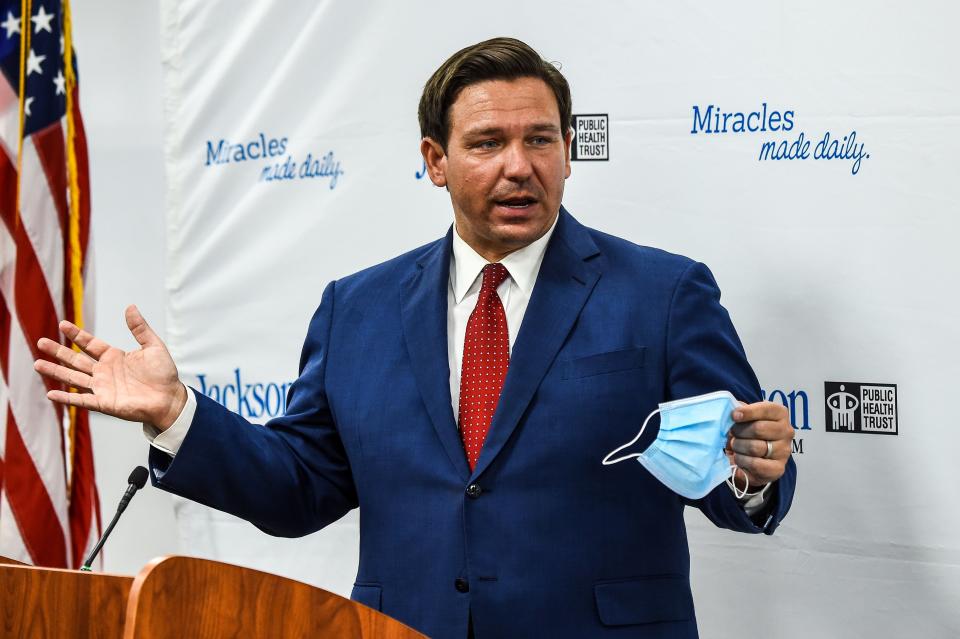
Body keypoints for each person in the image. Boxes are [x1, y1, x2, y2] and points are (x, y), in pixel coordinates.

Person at [35, 37, 796, 639]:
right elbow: (302, 484)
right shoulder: (357, 309)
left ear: (569, 148)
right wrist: (178, 415)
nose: (519, 166)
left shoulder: (664, 293)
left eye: (540, 139)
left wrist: (755, 473)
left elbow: (736, 468)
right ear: (435, 160)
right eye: (487, 142)